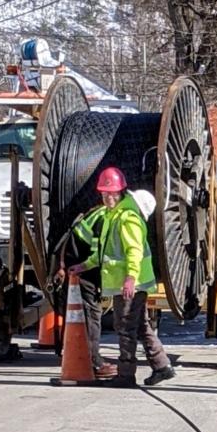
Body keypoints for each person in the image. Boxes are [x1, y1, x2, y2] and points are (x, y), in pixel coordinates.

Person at [79, 165, 174, 389]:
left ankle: (126, 374)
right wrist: (83, 265)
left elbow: (134, 251)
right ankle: (162, 366)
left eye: (111, 193)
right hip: (128, 283)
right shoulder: (113, 216)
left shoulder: (127, 219)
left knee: (125, 327)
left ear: (121, 192)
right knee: (140, 326)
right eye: (104, 193)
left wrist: (130, 278)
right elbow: (104, 252)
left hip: (130, 284)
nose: (107, 197)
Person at [53, 197, 117, 379]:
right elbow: (98, 255)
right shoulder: (104, 219)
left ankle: (82, 358)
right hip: (81, 269)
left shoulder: (98, 212)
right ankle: (93, 363)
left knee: (82, 316)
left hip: (76, 264)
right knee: (90, 316)